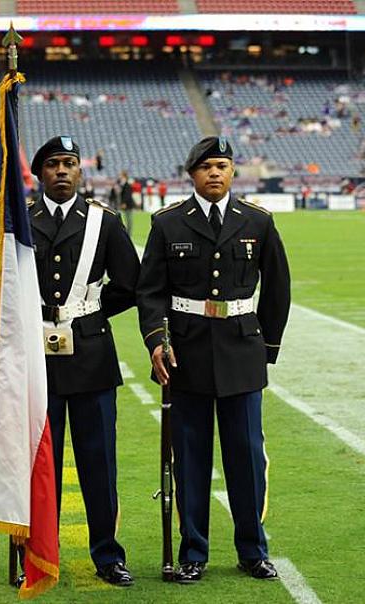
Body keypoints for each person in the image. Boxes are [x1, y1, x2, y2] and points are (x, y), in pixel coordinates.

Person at [136, 136, 290, 584]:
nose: (215, 174)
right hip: (187, 354)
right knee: (191, 458)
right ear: (192, 175)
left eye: (222, 166)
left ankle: (252, 549)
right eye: (206, 168)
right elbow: (151, 291)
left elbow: (278, 287)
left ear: (232, 171)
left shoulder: (257, 221)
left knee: (245, 458)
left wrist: (267, 349)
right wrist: (156, 341)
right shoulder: (168, 224)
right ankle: (193, 552)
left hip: (242, 352)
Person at [28, 136, 140, 587]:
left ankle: (108, 555)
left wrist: (87, 314)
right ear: (38, 174)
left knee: (99, 463)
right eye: (53, 164)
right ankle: (40, 551)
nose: (61, 171)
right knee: (41, 463)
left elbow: (130, 283)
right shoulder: (21, 222)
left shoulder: (104, 222)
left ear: (80, 172)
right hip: (37, 359)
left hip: (91, 355)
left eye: (69, 164)